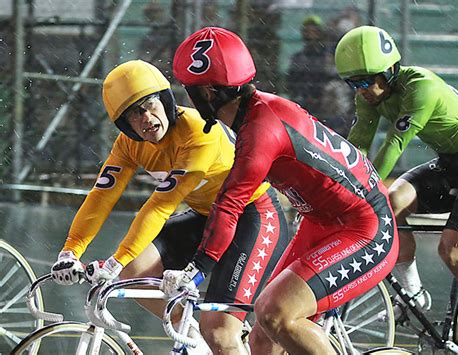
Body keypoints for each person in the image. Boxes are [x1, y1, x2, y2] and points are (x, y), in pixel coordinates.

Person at [163, 27, 399, 354]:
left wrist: (197, 270)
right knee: (262, 337)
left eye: (189, 90)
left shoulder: (261, 129)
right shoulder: (258, 112)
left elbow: (229, 204)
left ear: (207, 93)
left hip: (365, 228)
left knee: (275, 313)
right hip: (324, 219)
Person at [49, 59, 290, 354]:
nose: (147, 118)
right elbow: (101, 196)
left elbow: (160, 206)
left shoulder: (200, 132)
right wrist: (70, 251)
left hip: (254, 217)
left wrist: (113, 263)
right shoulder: (128, 144)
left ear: (166, 99)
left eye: (150, 105)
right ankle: (190, 336)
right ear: (124, 125)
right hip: (207, 216)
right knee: (136, 270)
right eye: (133, 115)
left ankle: (217, 341)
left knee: (220, 332)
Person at [335, 26, 458, 307]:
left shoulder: (422, 87)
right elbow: (358, 146)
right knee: (391, 202)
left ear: (389, 70)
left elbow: (394, 145)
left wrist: (361, 192)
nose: (362, 91)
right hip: (452, 164)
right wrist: (340, 188)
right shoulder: (369, 96)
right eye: (353, 84)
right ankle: (413, 293)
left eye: (366, 81)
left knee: (454, 253)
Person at [286, 15, 331, 117]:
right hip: (303, 102)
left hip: (322, 103)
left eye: (314, 31)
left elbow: (329, 79)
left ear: (320, 33)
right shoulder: (298, 58)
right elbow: (291, 82)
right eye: (307, 31)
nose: (310, 34)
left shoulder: (328, 57)